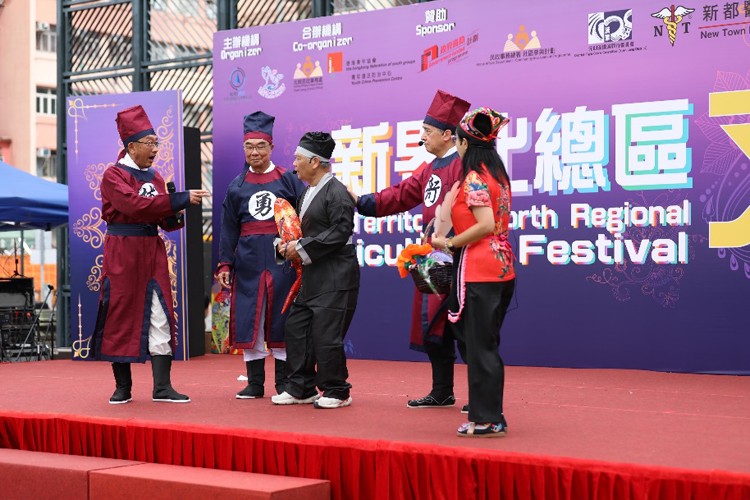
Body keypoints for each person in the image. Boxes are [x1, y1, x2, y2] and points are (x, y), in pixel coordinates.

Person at [352, 89, 471, 410]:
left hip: (461, 256)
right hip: (434, 260)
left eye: (427, 131)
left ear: (447, 135)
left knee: (466, 328)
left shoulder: (465, 166)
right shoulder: (429, 168)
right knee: (434, 327)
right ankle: (442, 390)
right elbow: (401, 194)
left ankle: (480, 398)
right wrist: (362, 202)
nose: (422, 137)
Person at [92, 104, 209, 404]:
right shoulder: (113, 175)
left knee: (160, 313)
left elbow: (165, 223)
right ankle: (123, 387)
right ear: (132, 146)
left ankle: (162, 387)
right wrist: (179, 199)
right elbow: (133, 206)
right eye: (150, 143)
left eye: (157, 143)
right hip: (123, 252)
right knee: (120, 315)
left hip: (152, 252)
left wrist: (175, 212)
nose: (156, 149)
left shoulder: (156, 177)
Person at [431, 107, 516, 437]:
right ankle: (490, 414)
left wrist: (448, 243)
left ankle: (487, 419)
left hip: (480, 269)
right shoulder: (499, 177)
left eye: (458, 142)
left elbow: (484, 225)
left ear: (465, 144)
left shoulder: (474, 179)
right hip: (501, 268)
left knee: (480, 346)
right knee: (485, 344)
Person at [216, 111, 306, 399]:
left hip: (283, 260)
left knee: (281, 317)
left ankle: (283, 383)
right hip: (248, 261)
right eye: (249, 146)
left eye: (260, 146)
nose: (254, 152)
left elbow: (304, 216)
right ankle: (254, 383)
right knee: (250, 318)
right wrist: (225, 263)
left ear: (271, 147)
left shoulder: (288, 179)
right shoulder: (236, 186)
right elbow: (228, 227)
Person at [272, 132, 359, 409]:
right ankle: (300, 388)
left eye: (298, 159)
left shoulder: (337, 193)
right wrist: (283, 245)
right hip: (311, 277)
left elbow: (340, 232)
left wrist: (300, 248)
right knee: (297, 328)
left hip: (335, 276)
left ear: (314, 162)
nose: (294, 164)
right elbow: (297, 231)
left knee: (326, 336)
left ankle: (337, 390)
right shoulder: (307, 192)